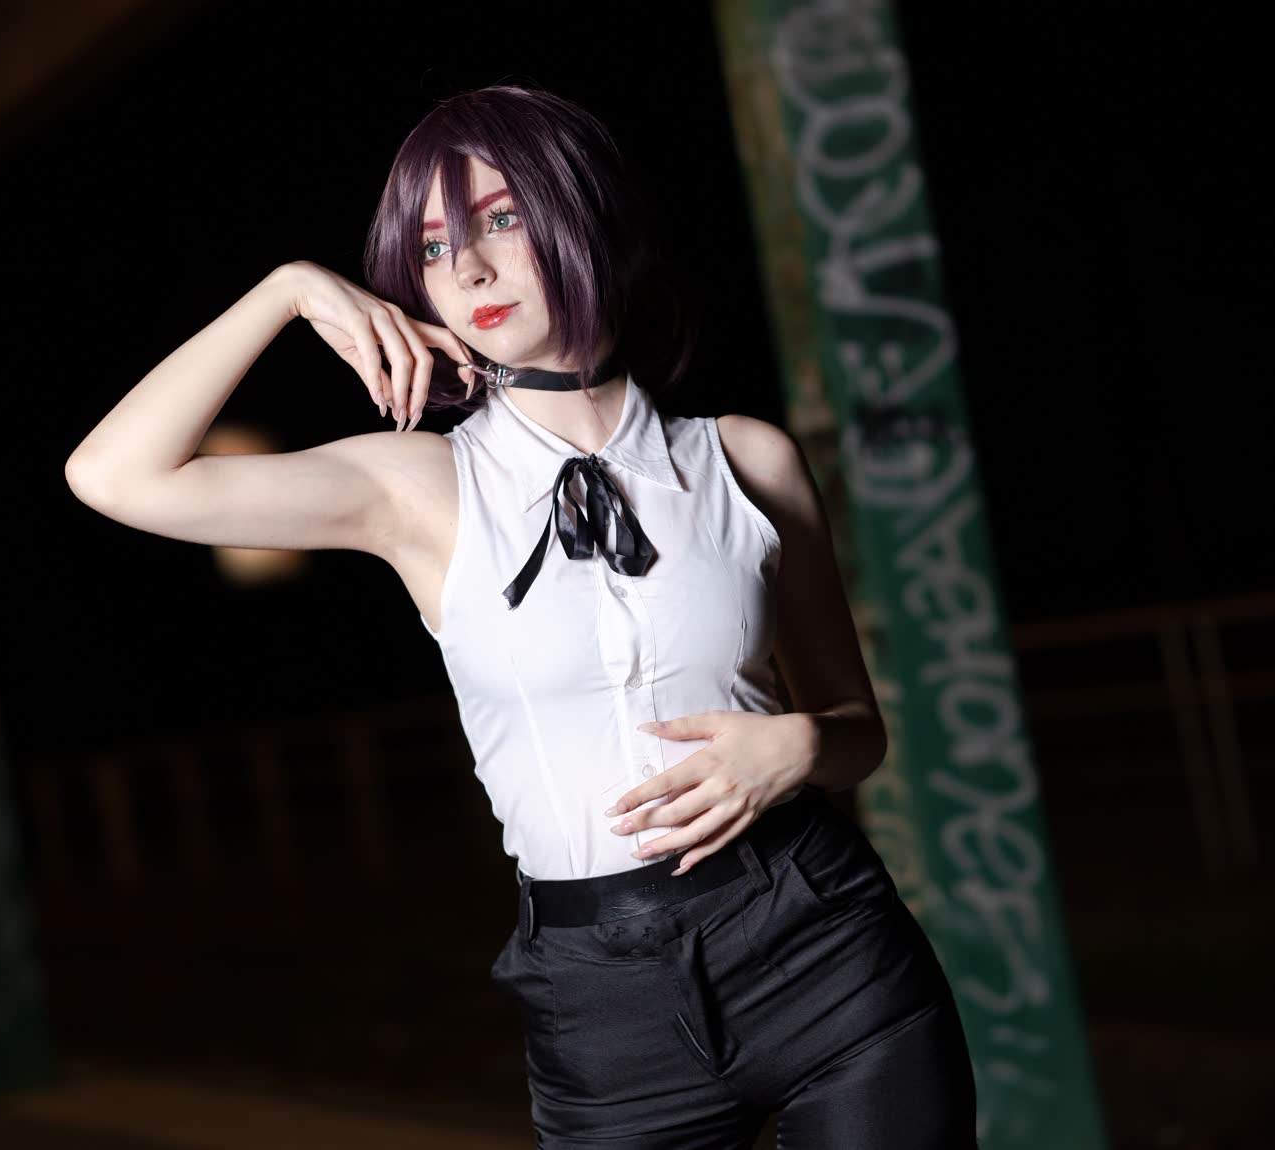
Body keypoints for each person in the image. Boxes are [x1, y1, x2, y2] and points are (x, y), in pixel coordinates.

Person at [65, 84, 977, 1149]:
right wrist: (289, 291)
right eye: (433, 244)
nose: (469, 269)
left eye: (498, 218)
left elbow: (857, 729)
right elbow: (111, 475)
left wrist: (803, 744)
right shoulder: (417, 485)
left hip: (823, 939)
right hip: (602, 1001)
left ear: (577, 209)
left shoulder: (746, 458)